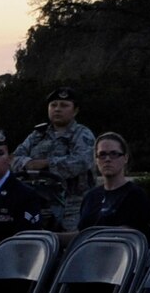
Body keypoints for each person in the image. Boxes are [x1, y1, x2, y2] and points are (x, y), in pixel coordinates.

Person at [12, 86, 96, 231]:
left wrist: (46, 164)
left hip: (73, 206)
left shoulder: (83, 134)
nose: (57, 109)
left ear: (75, 110)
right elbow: (14, 158)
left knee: (71, 245)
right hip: (38, 205)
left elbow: (80, 162)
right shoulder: (37, 135)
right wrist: (28, 163)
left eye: (64, 105)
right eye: (53, 105)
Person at [77, 131, 150, 237]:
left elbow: (132, 233)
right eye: (102, 154)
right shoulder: (90, 197)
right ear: (96, 160)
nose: (107, 159)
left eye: (114, 154)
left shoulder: (136, 196)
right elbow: (81, 235)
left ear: (125, 158)